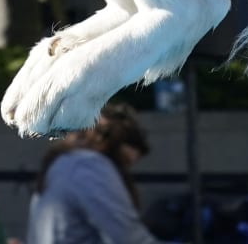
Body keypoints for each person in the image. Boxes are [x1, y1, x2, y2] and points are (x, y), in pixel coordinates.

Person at [26, 102, 158, 244]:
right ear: (115, 144)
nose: (122, 172)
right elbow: (129, 238)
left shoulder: (61, 164)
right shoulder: (89, 166)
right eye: (124, 162)